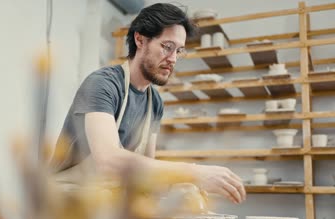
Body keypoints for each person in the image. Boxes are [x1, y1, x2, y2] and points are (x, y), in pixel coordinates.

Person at [50, 3, 246, 204]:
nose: (173, 59)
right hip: (66, 204)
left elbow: (145, 174)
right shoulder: (103, 84)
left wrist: (179, 189)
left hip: (105, 206)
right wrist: (194, 172)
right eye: (167, 47)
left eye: (179, 51)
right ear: (140, 39)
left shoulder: (155, 103)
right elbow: (107, 160)